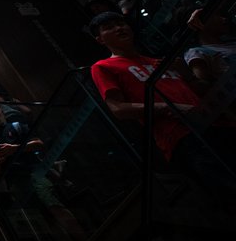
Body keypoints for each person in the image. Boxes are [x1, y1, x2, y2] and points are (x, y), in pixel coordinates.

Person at [89, 11, 236, 195]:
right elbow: (117, 108)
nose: (118, 28)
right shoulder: (103, 67)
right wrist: (168, 108)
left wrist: (187, 74)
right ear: (100, 40)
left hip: (217, 123)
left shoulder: (161, 62)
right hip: (182, 136)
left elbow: (200, 89)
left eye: (121, 23)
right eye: (109, 28)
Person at [0, 101, 85, 241]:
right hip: (16, 182)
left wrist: (14, 148)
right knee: (42, 218)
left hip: (33, 172)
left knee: (53, 204)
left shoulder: (15, 127)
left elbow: (39, 144)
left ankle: (85, 239)